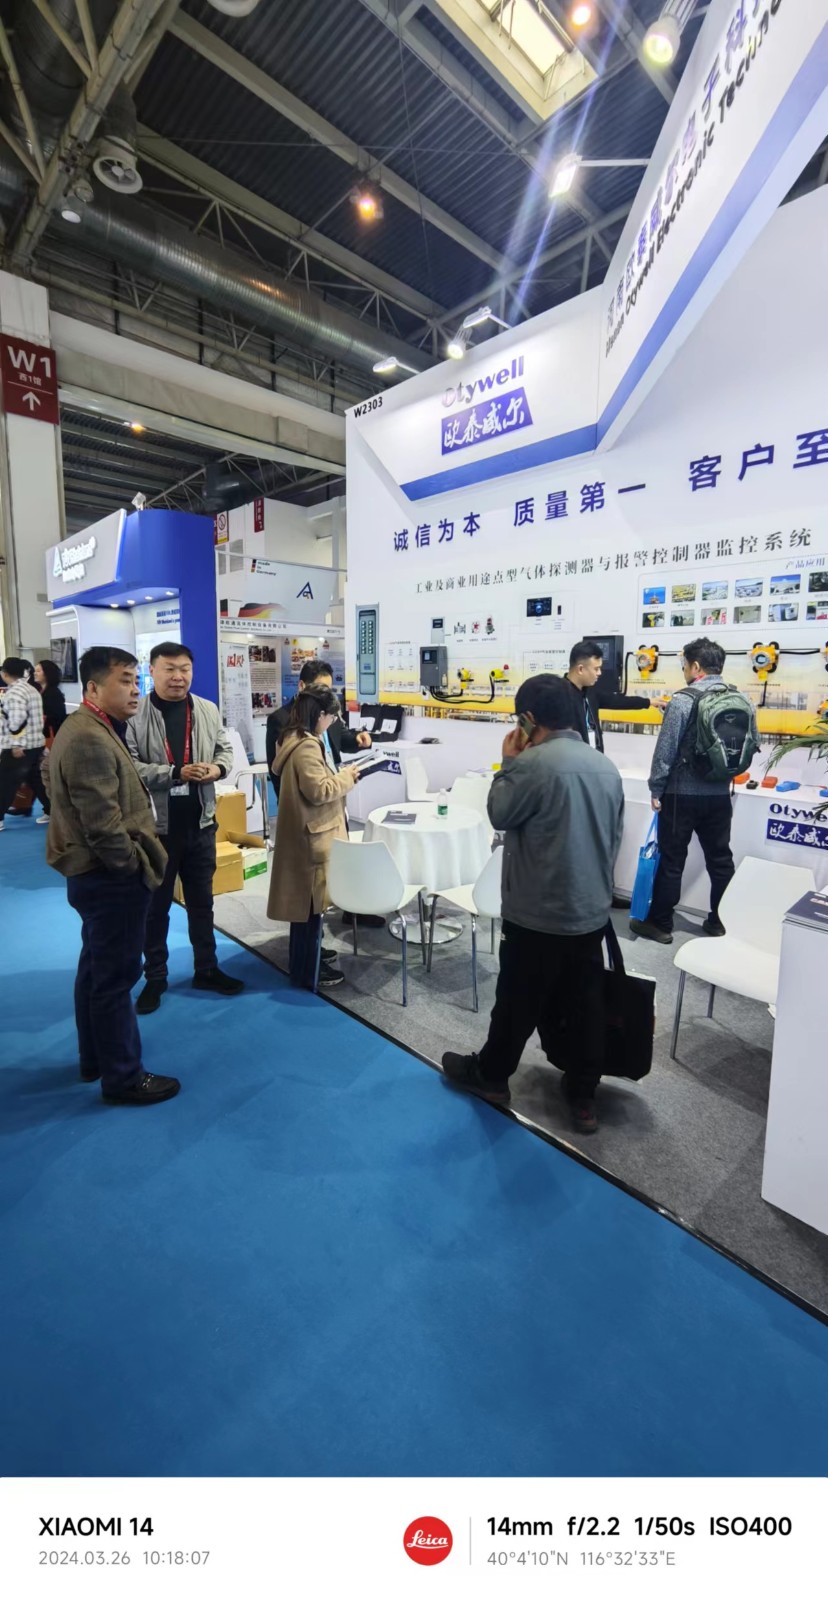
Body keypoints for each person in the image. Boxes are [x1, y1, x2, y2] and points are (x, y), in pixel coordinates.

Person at [442, 674, 625, 1134]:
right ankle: (583, 1095)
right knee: (585, 1002)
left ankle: (492, 1076)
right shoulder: (606, 767)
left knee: (517, 1000)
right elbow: (614, 837)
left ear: (527, 719)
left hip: (537, 912)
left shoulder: (531, 765)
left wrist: (508, 762)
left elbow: (500, 813)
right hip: (590, 911)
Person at [44, 646, 180, 1105]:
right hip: (108, 878)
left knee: (96, 969)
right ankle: (122, 1077)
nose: (135, 689)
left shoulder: (91, 726)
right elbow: (102, 825)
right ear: (93, 687)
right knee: (115, 980)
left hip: (96, 876)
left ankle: (95, 1058)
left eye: (136, 680)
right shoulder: (88, 736)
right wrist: (131, 868)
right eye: (125, 680)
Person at [125, 642, 244, 1015]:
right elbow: (130, 766)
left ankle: (206, 968)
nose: (178, 677)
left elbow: (225, 750)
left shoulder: (207, 709)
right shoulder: (135, 714)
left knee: (202, 904)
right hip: (156, 830)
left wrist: (218, 769)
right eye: (170, 669)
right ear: (152, 671)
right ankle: (155, 977)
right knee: (155, 909)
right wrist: (175, 772)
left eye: (185, 669)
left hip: (201, 823)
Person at [631, 637, 739, 945]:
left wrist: (656, 788)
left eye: (684, 666)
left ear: (695, 666)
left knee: (672, 860)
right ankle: (720, 921)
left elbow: (665, 751)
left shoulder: (682, 700)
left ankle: (660, 924)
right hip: (720, 794)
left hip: (681, 795)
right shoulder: (737, 697)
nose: (684, 671)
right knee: (721, 860)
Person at [267, 659, 379, 928]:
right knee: (312, 879)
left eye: (329, 689)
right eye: (321, 688)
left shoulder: (327, 712)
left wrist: (358, 740)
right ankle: (316, 933)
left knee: (341, 858)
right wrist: (293, 808)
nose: (326, 695)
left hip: (334, 801)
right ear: (302, 686)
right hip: (311, 808)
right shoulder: (283, 721)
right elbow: (279, 772)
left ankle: (352, 908)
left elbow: (340, 738)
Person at [267, 688, 360, 989]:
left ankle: (308, 961)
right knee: (310, 909)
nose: (332, 723)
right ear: (320, 715)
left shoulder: (291, 738)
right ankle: (309, 969)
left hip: (304, 833)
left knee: (305, 910)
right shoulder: (307, 746)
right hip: (312, 837)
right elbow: (319, 791)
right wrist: (347, 778)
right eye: (332, 717)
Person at [563, 640, 652, 755]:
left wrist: (649, 702)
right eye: (596, 669)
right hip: (573, 760)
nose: (599, 673)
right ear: (580, 669)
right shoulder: (559, 695)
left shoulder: (590, 691)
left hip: (595, 757)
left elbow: (617, 701)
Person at [0, 657, 49, 830]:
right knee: (37, 780)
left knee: (5, 782)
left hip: (20, 746)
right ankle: (52, 810)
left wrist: (16, 744)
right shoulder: (31, 689)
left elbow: (18, 719)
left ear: (5, 673)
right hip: (35, 743)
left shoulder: (14, 693)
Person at [32, 660, 67, 822]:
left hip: (51, 738)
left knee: (45, 773)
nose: (35, 673)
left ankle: (53, 809)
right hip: (44, 737)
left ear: (47, 673)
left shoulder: (53, 693)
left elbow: (57, 717)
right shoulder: (42, 691)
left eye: (38, 670)